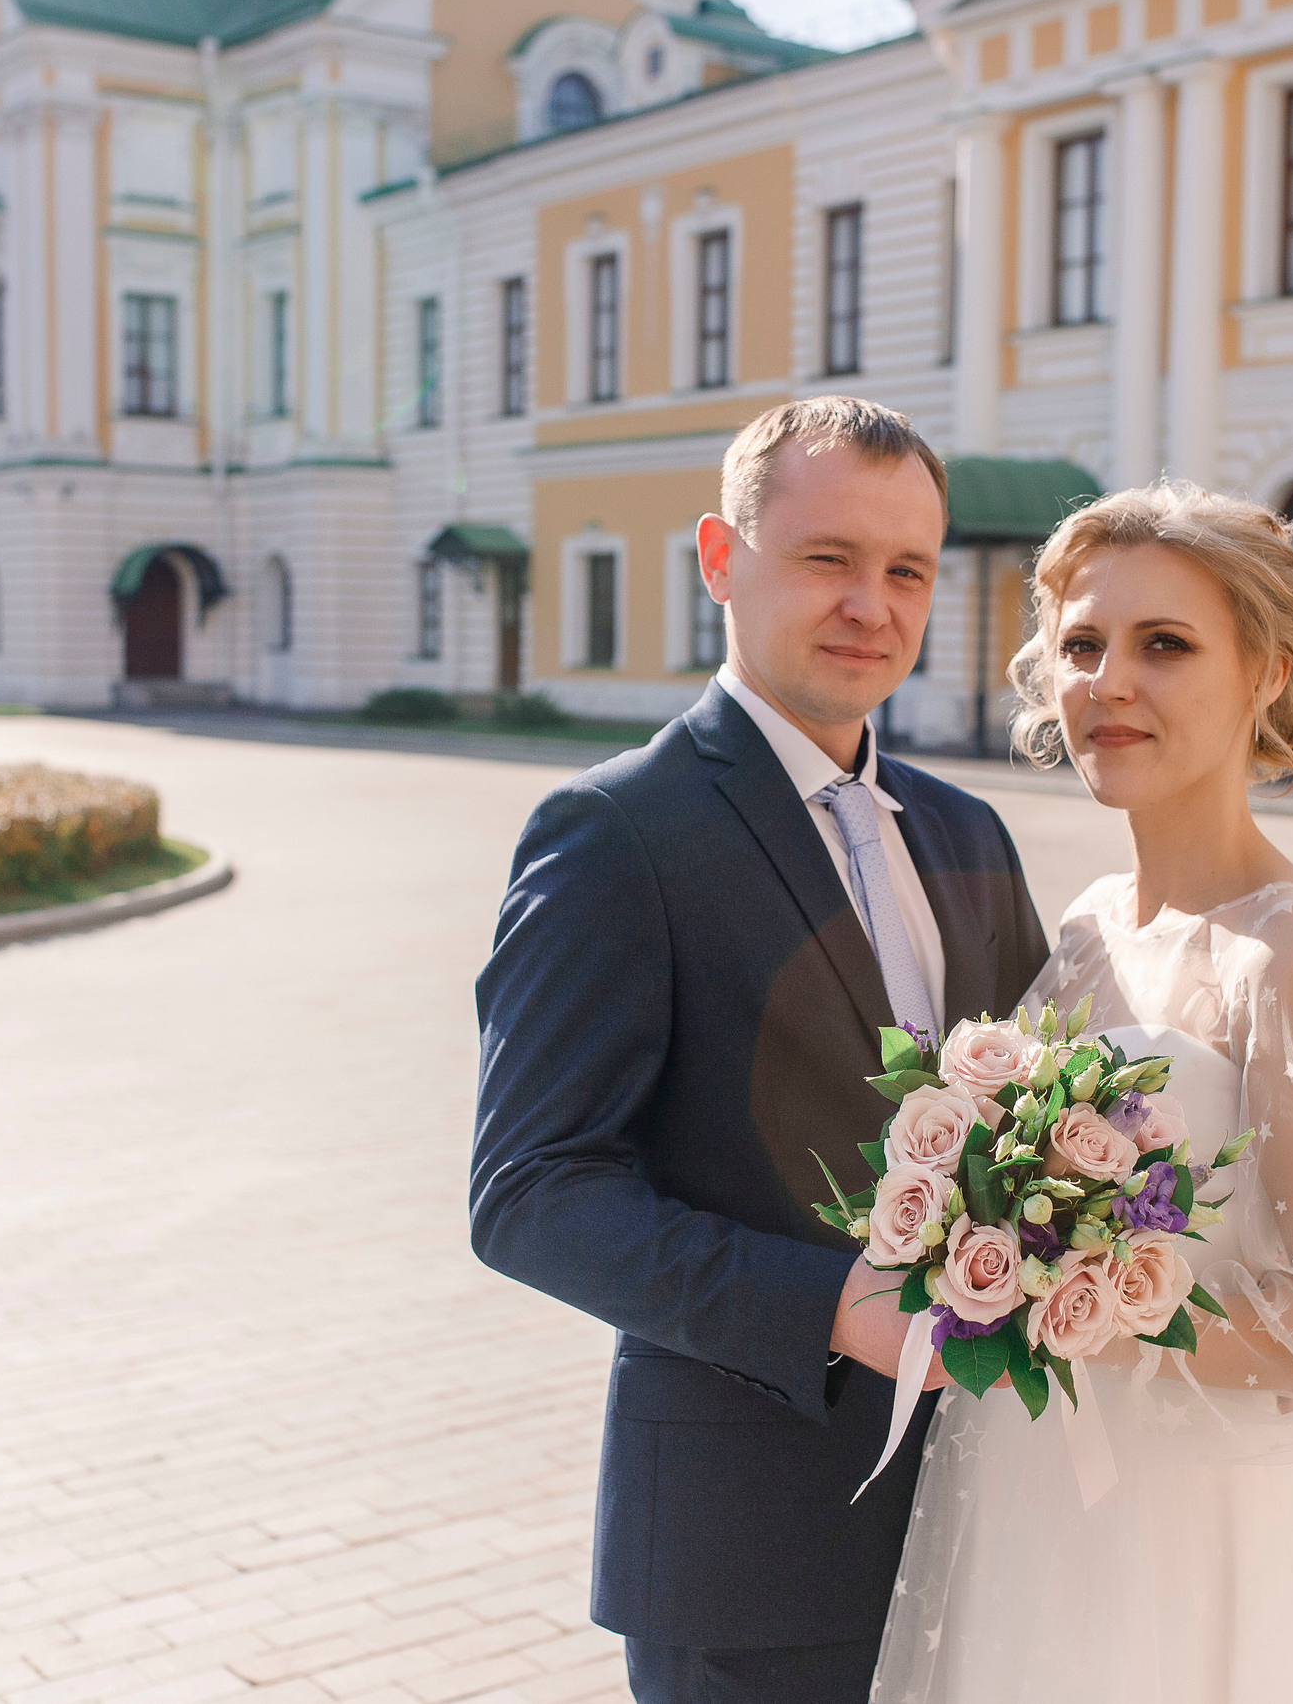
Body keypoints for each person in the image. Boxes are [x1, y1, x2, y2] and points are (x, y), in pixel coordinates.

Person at [470, 397, 1054, 1704]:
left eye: (907, 568)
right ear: (721, 558)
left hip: (985, 1529)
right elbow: (531, 1192)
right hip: (750, 1557)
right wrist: (837, 1307)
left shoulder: (966, 833)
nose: (873, 601)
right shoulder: (616, 831)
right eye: (828, 556)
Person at [872, 481, 1293, 1704]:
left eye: (1164, 645)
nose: (1108, 683)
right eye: (1081, 646)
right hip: (1017, 1485)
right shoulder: (1085, 927)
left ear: (1266, 672)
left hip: (1173, 1523)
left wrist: (1080, 1310)